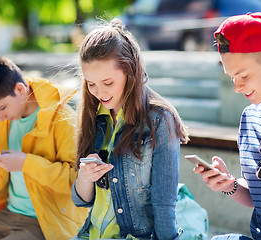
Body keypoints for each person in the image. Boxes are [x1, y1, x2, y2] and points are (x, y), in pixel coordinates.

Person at [71, 18, 189, 240]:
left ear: (130, 72)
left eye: (108, 83)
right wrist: (85, 177)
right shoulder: (94, 115)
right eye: (91, 84)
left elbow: (164, 202)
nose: (99, 93)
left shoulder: (159, 119)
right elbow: (81, 200)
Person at [0, 56, 88, 240]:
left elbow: (77, 182)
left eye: (1, 108)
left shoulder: (63, 120)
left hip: (45, 221)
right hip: (4, 214)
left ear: (20, 89)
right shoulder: (3, 116)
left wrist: (26, 163)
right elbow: (6, 176)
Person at [194, 12, 261, 239]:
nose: (237, 87)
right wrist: (229, 184)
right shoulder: (250, 119)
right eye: (231, 78)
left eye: (243, 75)